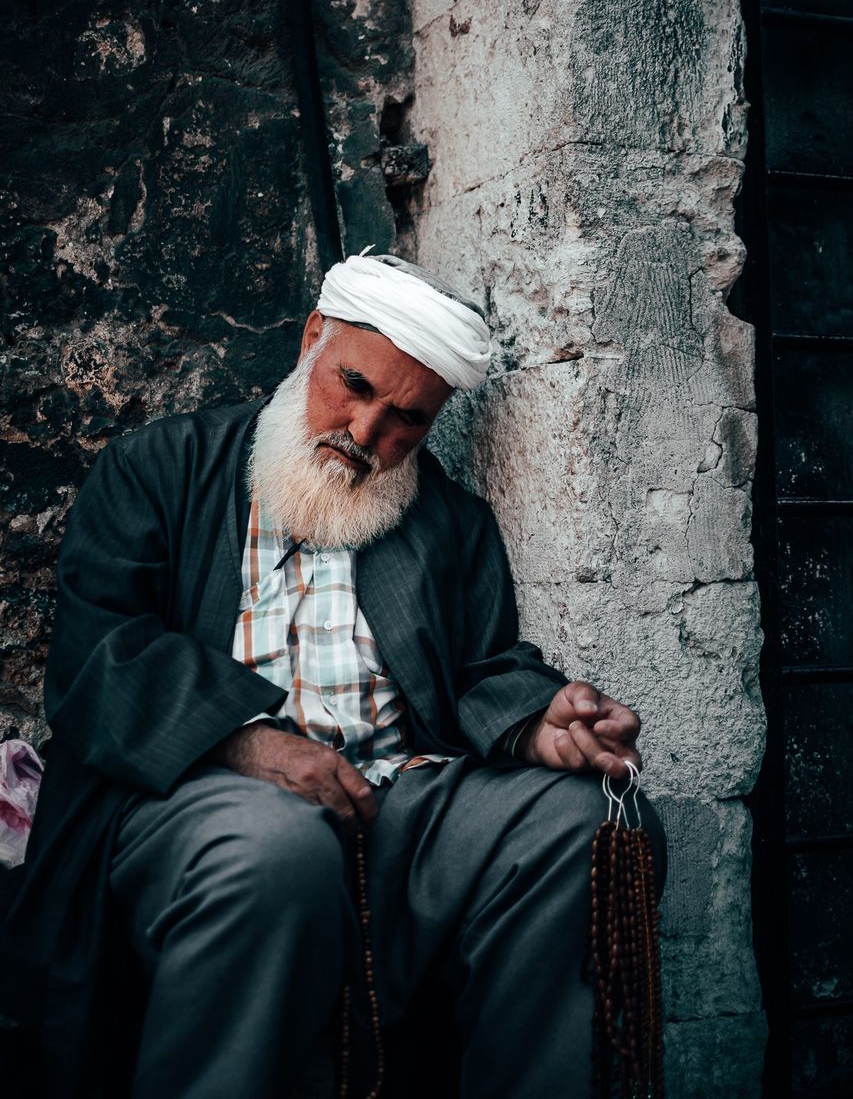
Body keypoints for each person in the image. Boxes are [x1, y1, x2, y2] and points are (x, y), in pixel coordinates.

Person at [2, 253, 664, 1099]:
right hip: (199, 796)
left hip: (398, 805)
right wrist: (247, 746)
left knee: (588, 824)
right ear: (312, 339)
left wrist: (542, 723)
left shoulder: (448, 521)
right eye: (354, 385)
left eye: (406, 421)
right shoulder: (158, 467)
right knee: (270, 844)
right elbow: (101, 657)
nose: (364, 433)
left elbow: (482, 668)